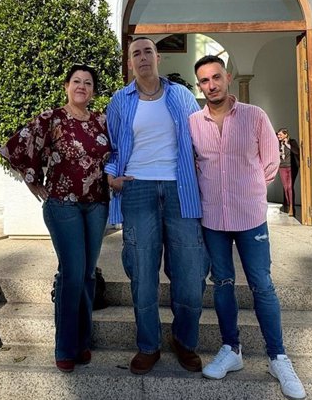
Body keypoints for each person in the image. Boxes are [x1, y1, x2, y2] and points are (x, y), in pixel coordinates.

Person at [188, 55, 306, 400]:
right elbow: (194, 163)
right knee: (222, 283)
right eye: (205, 81)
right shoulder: (194, 123)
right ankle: (232, 350)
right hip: (213, 218)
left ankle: (278, 357)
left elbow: (270, 163)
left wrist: (248, 188)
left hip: (249, 216)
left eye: (216, 78)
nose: (211, 85)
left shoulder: (255, 117)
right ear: (200, 87)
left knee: (262, 284)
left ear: (227, 77)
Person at [105, 37, 209, 375]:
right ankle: (148, 345)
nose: (142, 57)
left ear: (158, 57)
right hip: (137, 189)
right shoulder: (120, 100)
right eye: (136, 53)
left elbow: (202, 141)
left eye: (148, 51)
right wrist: (110, 176)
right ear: (130, 62)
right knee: (142, 273)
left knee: (191, 275)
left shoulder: (181, 96)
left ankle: (184, 341)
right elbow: (111, 147)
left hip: (181, 190)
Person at [1, 64, 110, 373]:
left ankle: (82, 341)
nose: (82, 87)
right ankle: (64, 346)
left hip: (97, 204)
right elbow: (18, 145)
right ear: (66, 86)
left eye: (88, 83)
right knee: (72, 273)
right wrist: (31, 178)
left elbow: (114, 155)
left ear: (92, 90)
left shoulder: (102, 121)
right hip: (63, 206)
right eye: (77, 81)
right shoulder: (51, 119)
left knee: (88, 274)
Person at [277, 128, 300, 217]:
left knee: (290, 187)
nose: (278, 136)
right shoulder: (278, 143)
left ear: (285, 135)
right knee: (285, 187)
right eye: (278, 135)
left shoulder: (292, 142)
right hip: (282, 167)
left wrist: (287, 144)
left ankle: (291, 207)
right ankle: (288, 204)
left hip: (292, 167)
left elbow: (297, 151)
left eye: (280, 135)